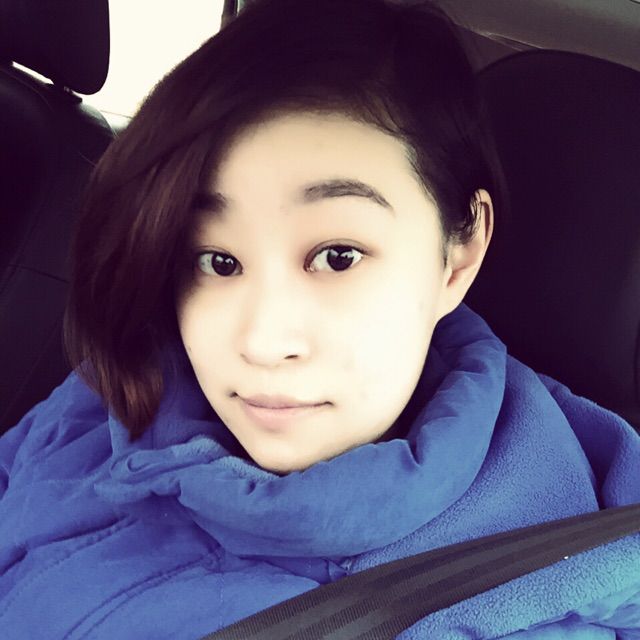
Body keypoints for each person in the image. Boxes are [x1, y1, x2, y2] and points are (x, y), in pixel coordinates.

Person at [1, 0, 639, 638]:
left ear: (460, 252)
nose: (262, 342)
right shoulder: (115, 391)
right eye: (218, 261)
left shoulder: (535, 607)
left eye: (338, 256)